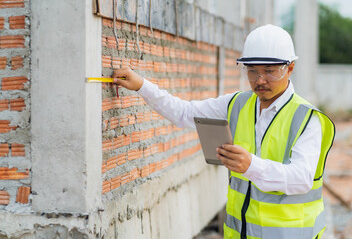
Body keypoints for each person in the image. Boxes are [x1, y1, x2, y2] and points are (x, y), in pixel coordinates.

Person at [112, 24, 335, 239]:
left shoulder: (307, 118)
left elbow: (301, 179)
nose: (260, 80)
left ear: (290, 68)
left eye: (270, 71)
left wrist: (251, 166)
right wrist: (142, 85)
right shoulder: (236, 104)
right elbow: (184, 113)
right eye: (252, 71)